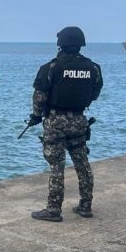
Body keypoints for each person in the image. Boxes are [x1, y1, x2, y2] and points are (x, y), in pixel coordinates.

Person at [29, 26, 103, 222]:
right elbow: (95, 93)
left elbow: (39, 96)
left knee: (56, 166)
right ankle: (85, 205)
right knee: (82, 163)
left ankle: (54, 209)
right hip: (79, 120)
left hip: (55, 121)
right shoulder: (93, 68)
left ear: (60, 44)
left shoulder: (51, 67)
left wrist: (36, 115)